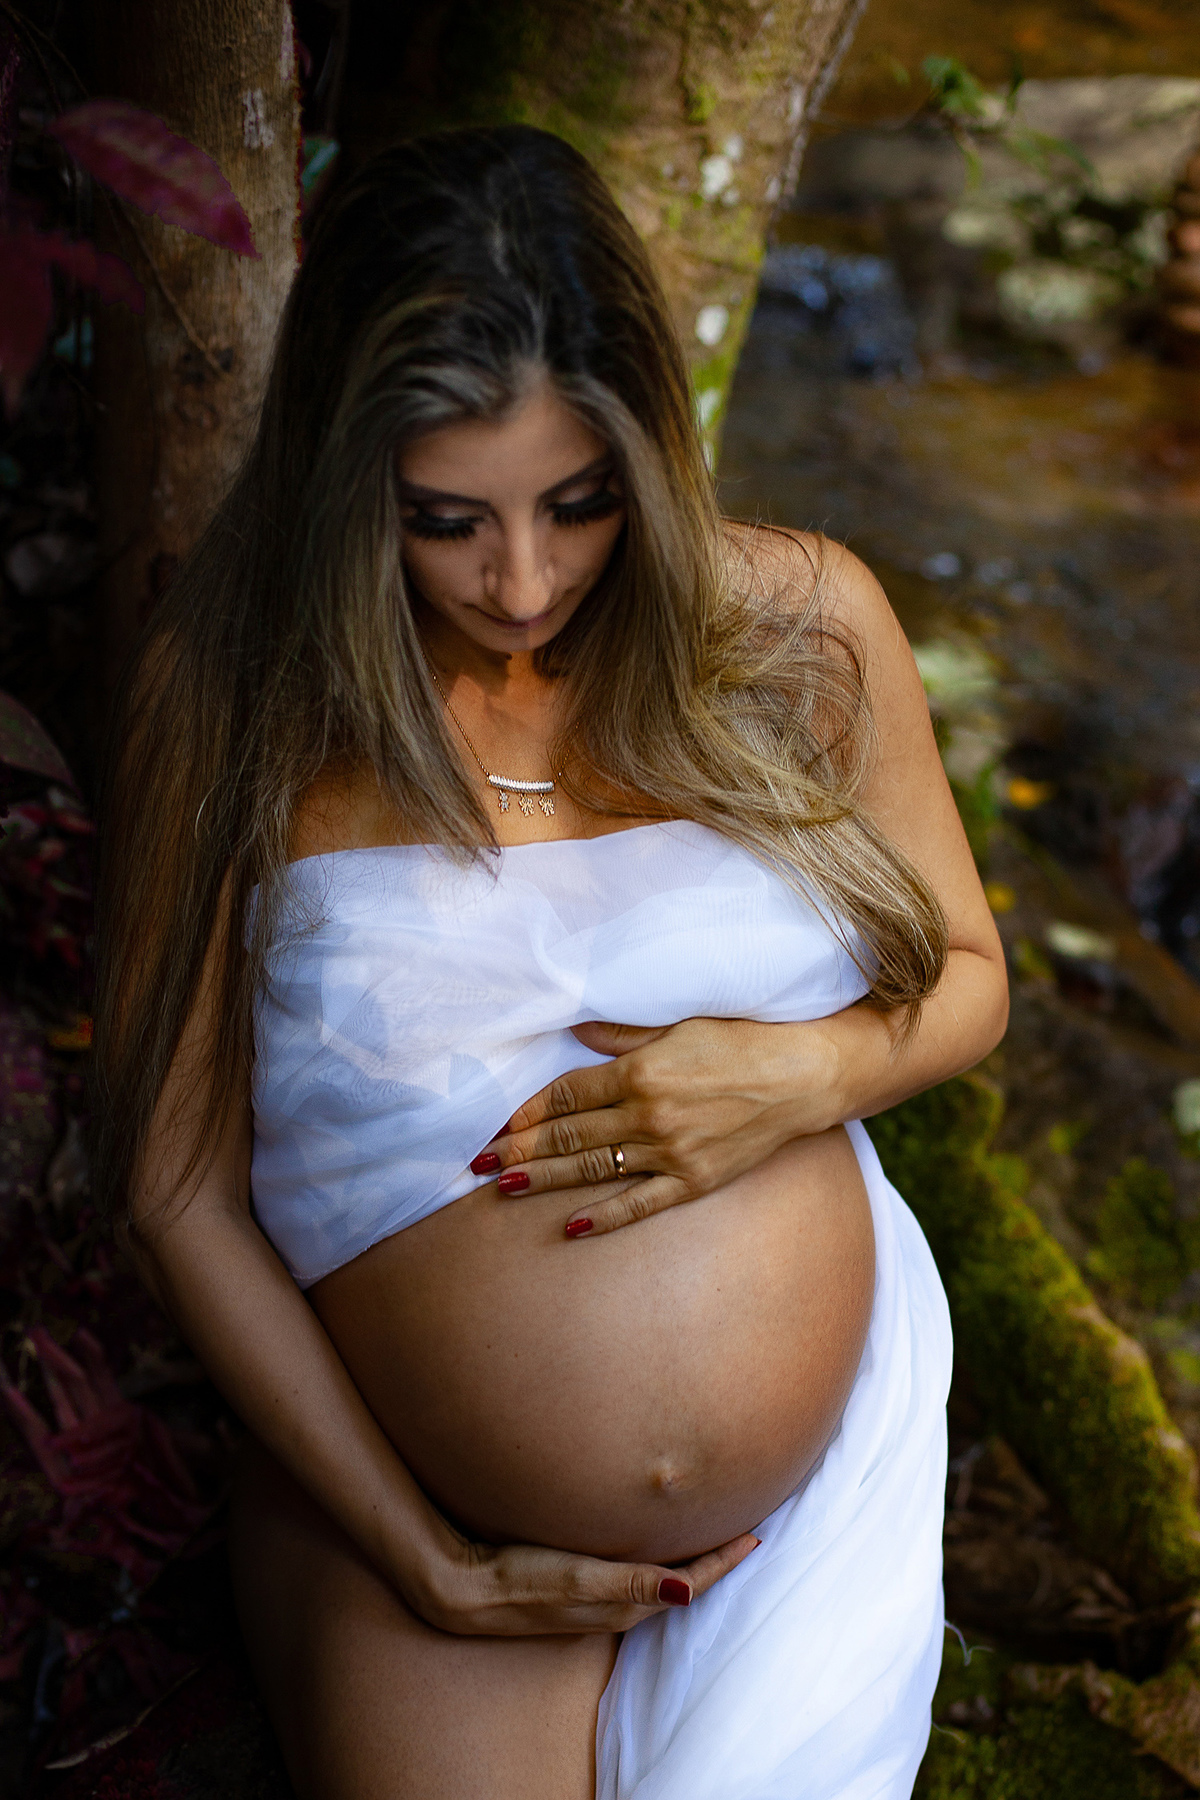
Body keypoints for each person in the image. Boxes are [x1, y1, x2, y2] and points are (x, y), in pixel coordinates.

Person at [93, 126, 1008, 1800]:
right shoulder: (235, 695)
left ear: (646, 450)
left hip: (809, 1497)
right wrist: (420, 1553)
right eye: (448, 521)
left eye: (579, 506)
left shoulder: (797, 627)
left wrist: (807, 1075)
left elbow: (966, 968)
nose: (521, 582)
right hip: (428, 1514)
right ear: (348, 469)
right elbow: (174, 1189)